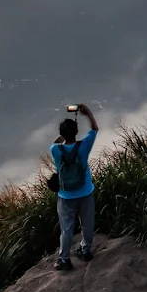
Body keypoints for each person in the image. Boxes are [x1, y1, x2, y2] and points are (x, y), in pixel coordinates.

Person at [51, 103, 99, 271]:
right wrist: (88, 113)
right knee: (87, 223)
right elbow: (94, 129)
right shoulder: (84, 147)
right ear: (77, 132)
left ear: (62, 134)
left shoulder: (55, 150)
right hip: (85, 192)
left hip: (66, 195)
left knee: (67, 228)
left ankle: (65, 259)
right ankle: (85, 251)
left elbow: (57, 143)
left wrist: (64, 136)